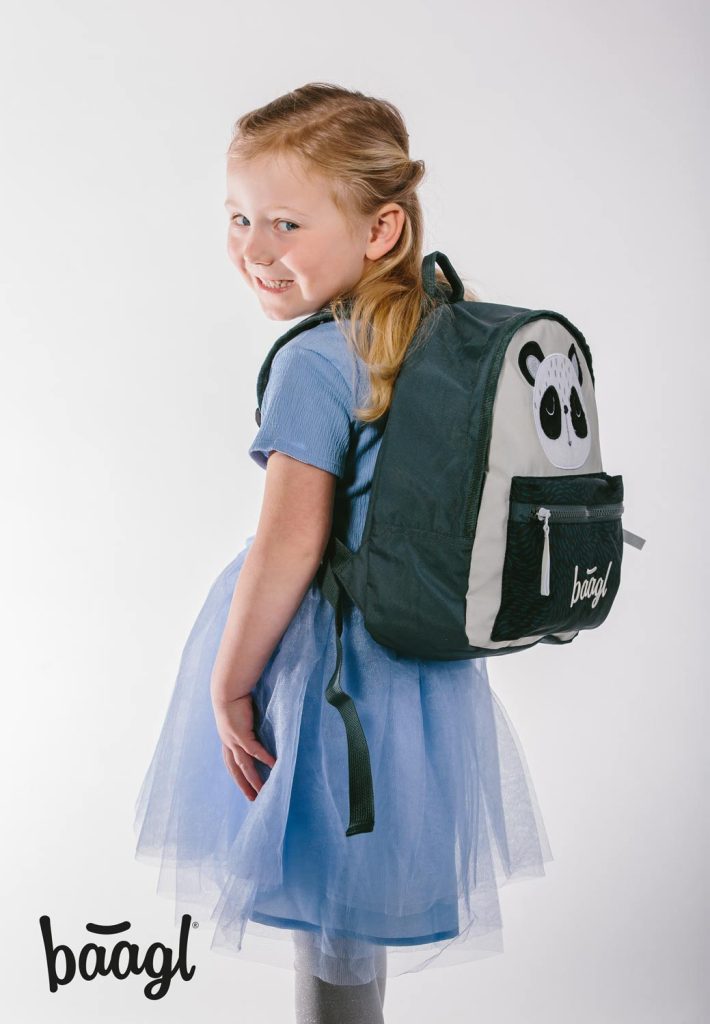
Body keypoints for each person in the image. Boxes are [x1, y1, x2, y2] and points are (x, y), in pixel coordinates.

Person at [133, 82, 553, 1023]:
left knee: (329, 913)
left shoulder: (314, 363)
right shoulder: (435, 335)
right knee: (354, 912)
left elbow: (291, 544)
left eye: (285, 223)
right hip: (417, 674)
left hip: (329, 672)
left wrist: (230, 682)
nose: (254, 249)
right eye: (238, 218)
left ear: (380, 229)